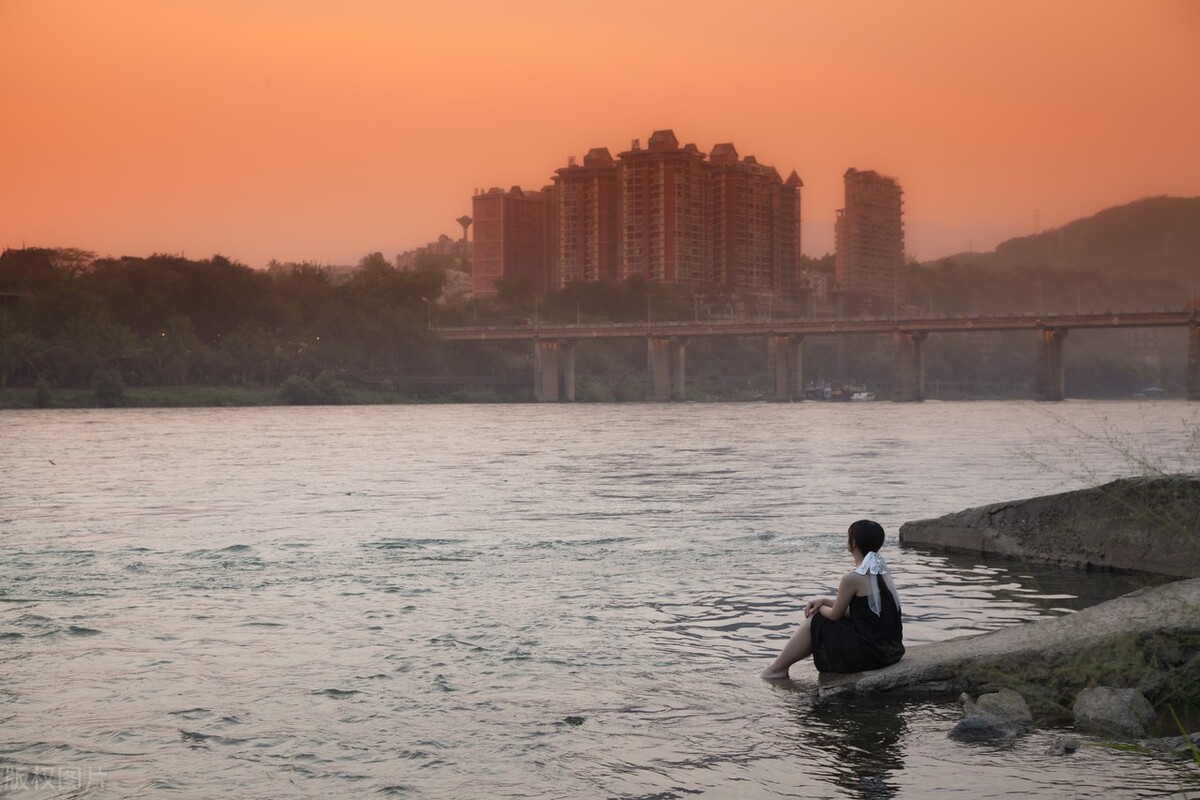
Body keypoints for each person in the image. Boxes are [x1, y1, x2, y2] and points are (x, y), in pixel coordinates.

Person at [761, 519, 904, 680]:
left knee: (816, 618)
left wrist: (820, 607)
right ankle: (778, 668)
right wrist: (826, 601)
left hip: (869, 656)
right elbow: (863, 613)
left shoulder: (852, 578)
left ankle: (777, 669)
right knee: (822, 617)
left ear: (853, 543)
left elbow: (834, 615)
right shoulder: (882, 574)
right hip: (890, 652)